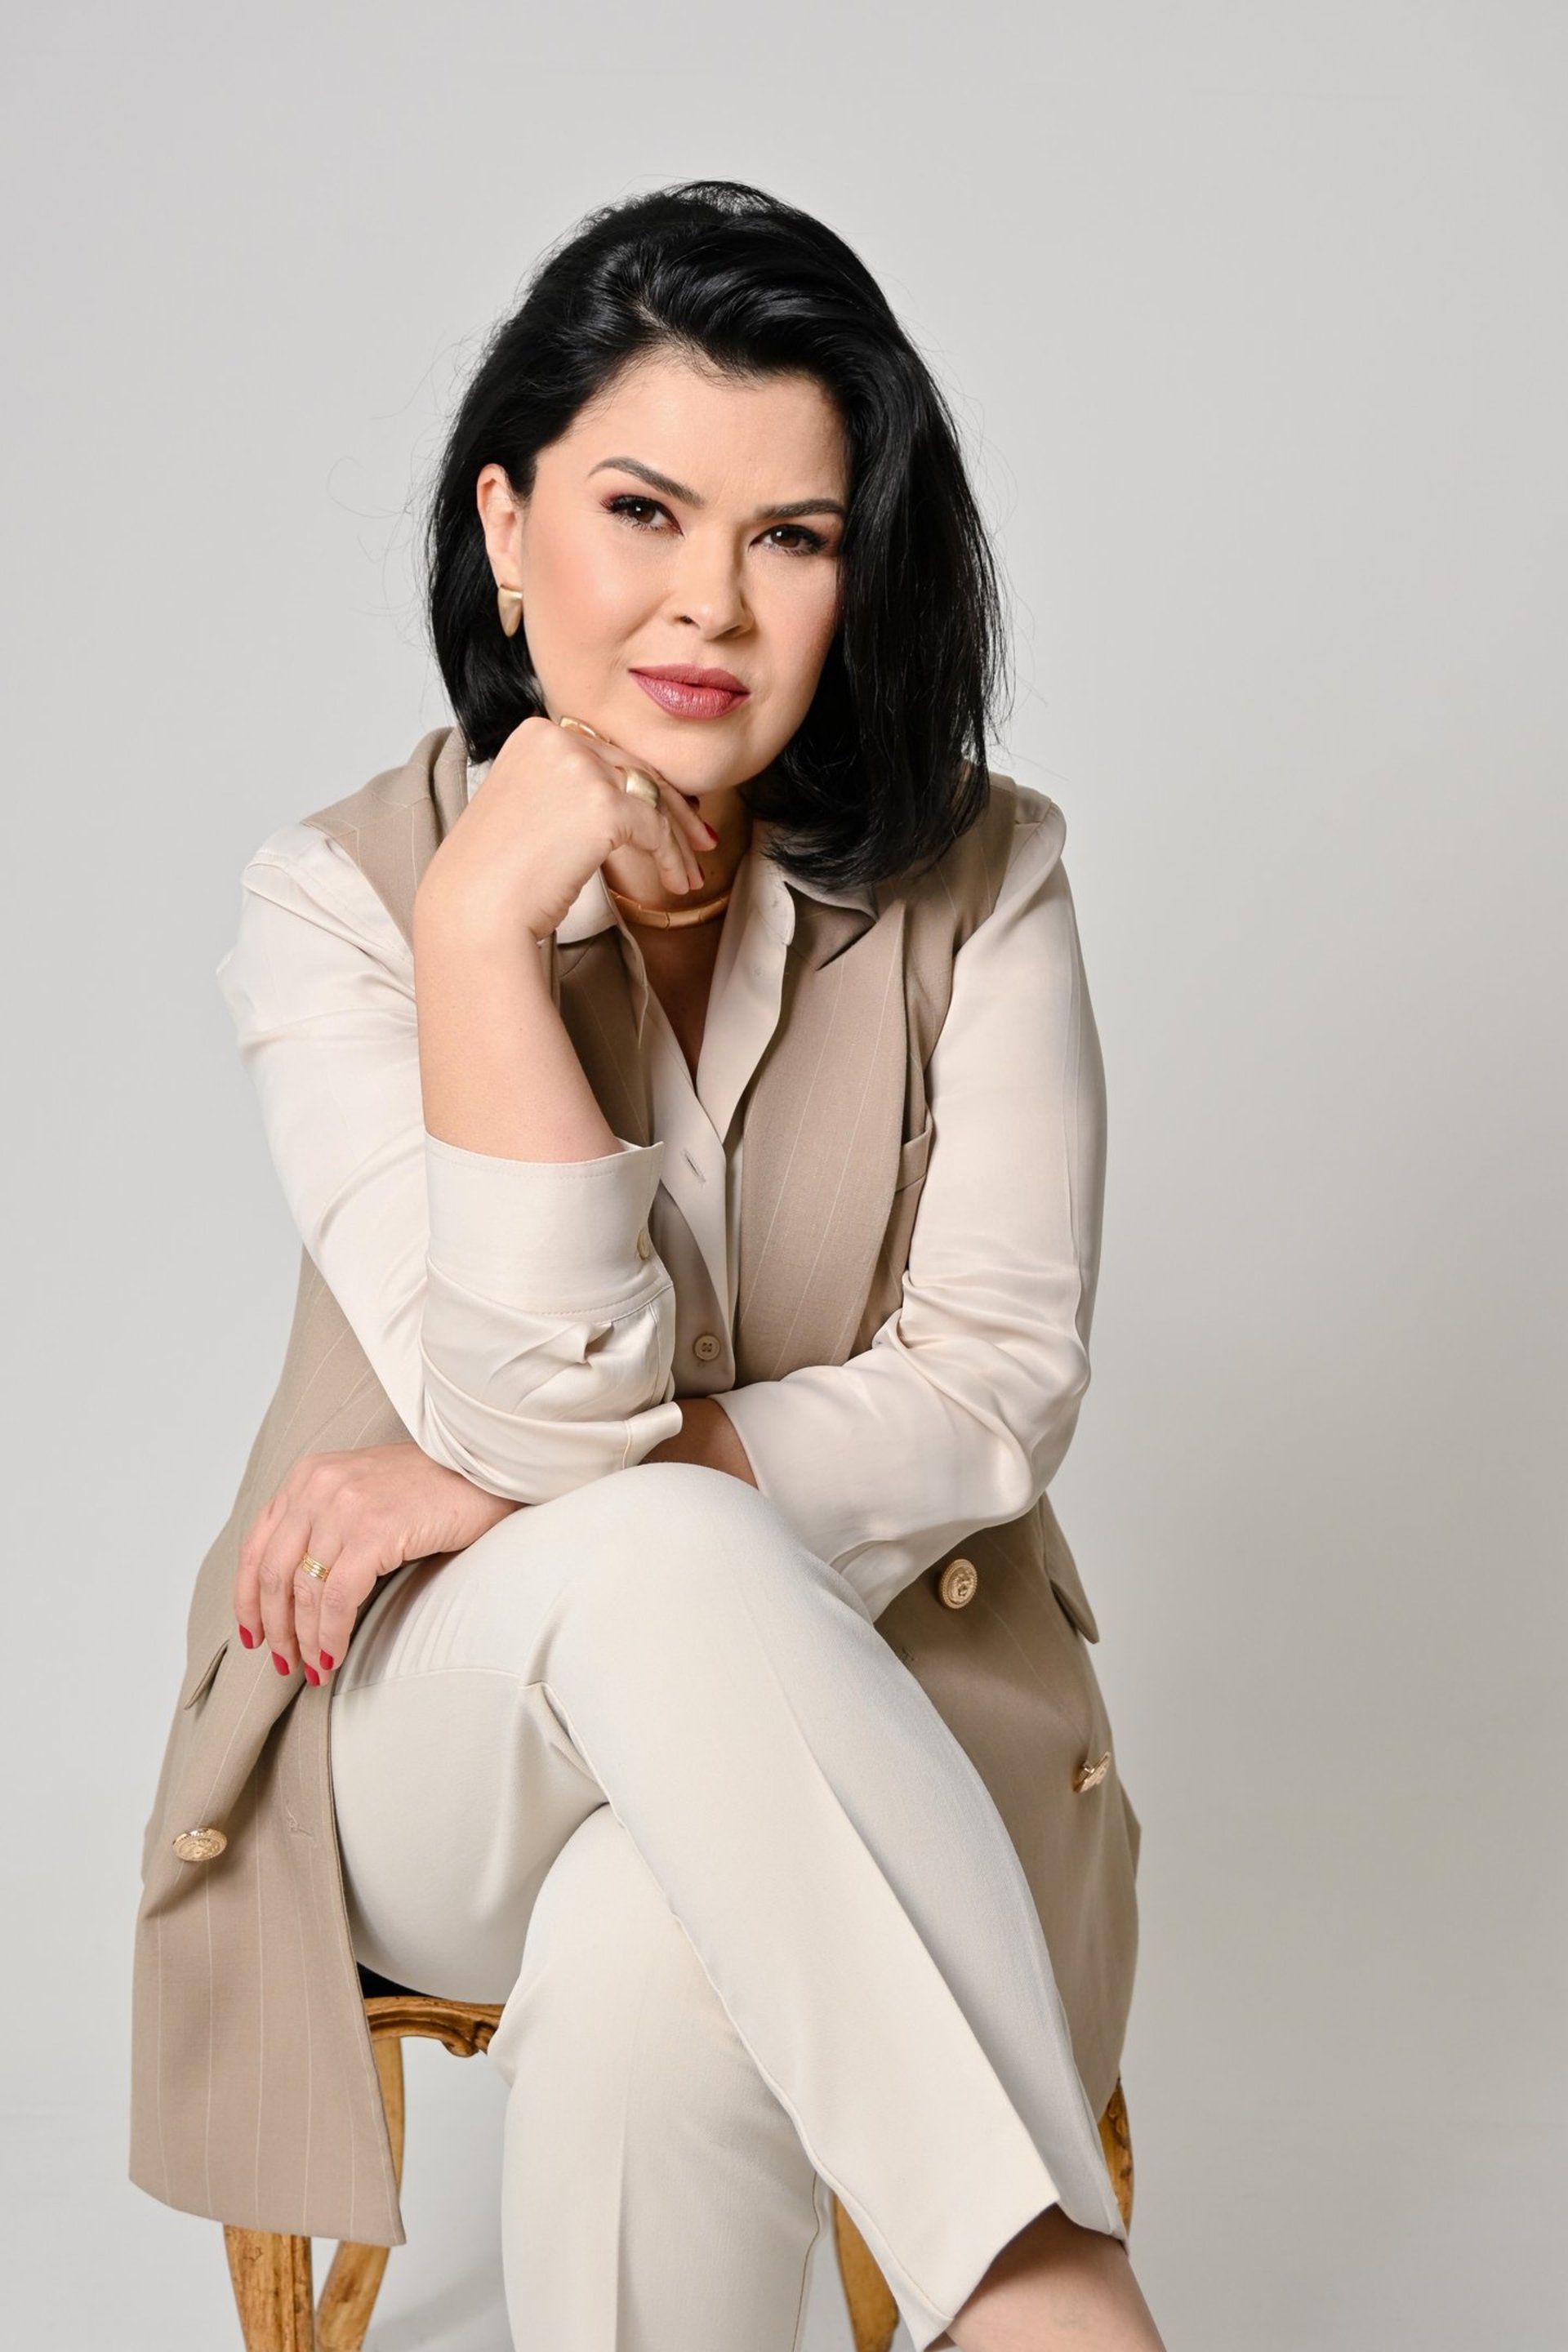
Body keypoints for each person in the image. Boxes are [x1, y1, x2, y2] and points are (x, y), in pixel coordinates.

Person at [136, 179, 1165, 2352]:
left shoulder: (993, 878)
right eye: (643, 510)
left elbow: (994, 1380)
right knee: (665, 1568)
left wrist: (576, 1471)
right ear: (508, 531)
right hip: (439, 1734)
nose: (713, 603)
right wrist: (483, 936)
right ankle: (1052, 2298)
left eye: (793, 536)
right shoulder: (346, 903)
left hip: (886, 1716)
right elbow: (536, 1420)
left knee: (668, 1932)